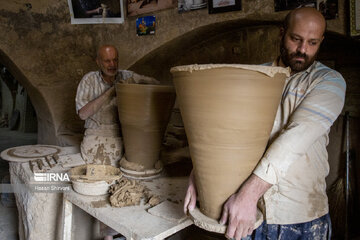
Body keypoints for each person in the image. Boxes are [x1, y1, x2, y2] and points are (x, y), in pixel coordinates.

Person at [184, 7, 346, 240]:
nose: (302, 50)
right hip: (248, 213)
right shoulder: (255, 75)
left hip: (301, 215)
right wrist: (200, 173)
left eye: (312, 43)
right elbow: (224, 131)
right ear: (282, 33)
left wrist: (248, 195)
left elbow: (296, 137)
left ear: (321, 41)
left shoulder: (329, 81)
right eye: (296, 39)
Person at [75, 44, 158, 167]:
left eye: (115, 60)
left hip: (121, 132)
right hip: (96, 133)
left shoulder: (126, 76)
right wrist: (111, 92)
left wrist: (148, 83)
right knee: (101, 166)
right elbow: (82, 114)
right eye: (107, 61)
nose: (112, 65)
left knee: (140, 160)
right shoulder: (89, 80)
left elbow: (151, 81)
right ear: (98, 62)